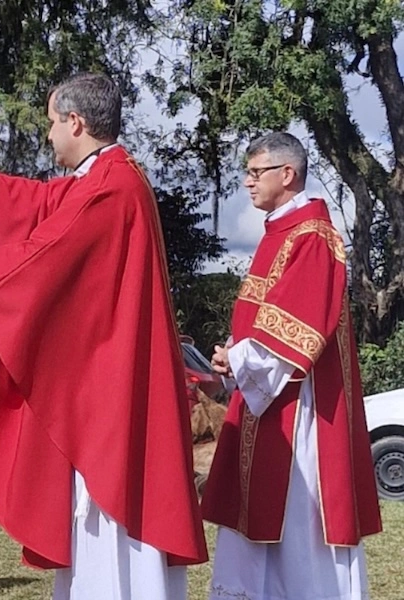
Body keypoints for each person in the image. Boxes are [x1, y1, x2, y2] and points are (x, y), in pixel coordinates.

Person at [0, 72, 207, 600]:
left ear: (76, 122)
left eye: (53, 124)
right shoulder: (105, 178)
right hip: (108, 377)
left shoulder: (110, 186)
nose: (49, 135)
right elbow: (46, 203)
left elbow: (49, 259)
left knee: (112, 523)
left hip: (108, 390)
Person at [201, 132, 382, 600]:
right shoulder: (279, 233)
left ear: (287, 174)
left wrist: (238, 358)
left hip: (300, 411)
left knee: (298, 527)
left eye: (256, 172)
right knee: (255, 523)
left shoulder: (312, 238)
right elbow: (262, 321)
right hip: (264, 400)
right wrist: (233, 354)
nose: (246, 182)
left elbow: (295, 330)